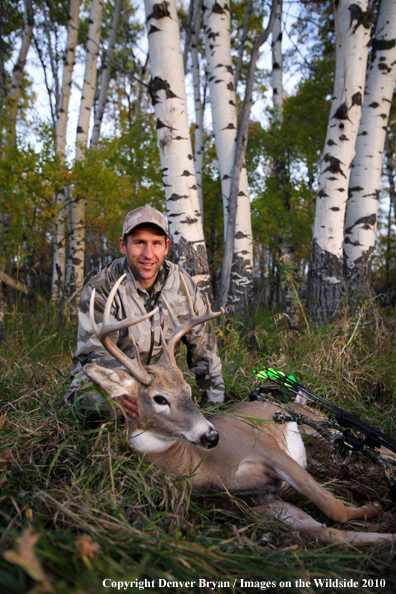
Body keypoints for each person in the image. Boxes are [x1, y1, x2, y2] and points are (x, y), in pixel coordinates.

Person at [65, 204, 225, 423]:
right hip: (115, 382)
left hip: (163, 387)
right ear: (123, 245)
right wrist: (121, 389)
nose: (148, 254)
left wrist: (216, 411)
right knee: (96, 404)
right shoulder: (101, 287)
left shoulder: (182, 284)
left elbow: (205, 353)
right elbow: (93, 354)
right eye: (139, 243)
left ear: (166, 247)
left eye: (156, 243)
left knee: (173, 404)